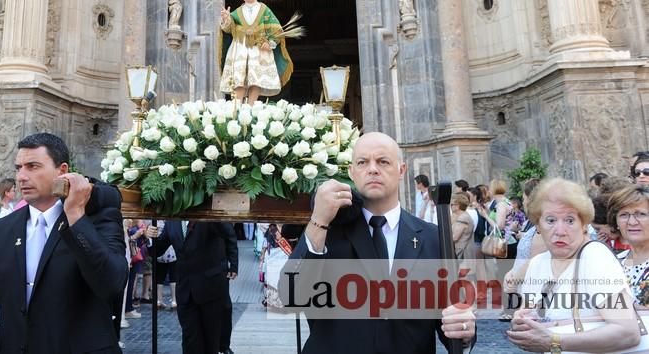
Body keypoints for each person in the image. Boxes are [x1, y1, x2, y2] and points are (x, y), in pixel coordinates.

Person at [281, 132, 475, 354]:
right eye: (363, 162)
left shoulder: (432, 238)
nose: (372, 169)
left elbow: (451, 321)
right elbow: (291, 295)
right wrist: (319, 220)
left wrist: (464, 330)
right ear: (352, 172)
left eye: (383, 161)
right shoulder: (327, 231)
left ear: (402, 170)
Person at [0, 132, 127, 354]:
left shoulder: (97, 219)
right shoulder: (2, 230)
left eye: (33, 166)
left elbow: (112, 283)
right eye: (18, 167)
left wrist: (76, 217)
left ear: (62, 171)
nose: (21, 176)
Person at [507, 178, 641, 353]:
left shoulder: (595, 258)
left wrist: (554, 341)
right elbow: (532, 314)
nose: (560, 230)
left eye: (570, 220)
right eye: (550, 220)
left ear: (584, 224)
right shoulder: (538, 264)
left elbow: (628, 332)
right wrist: (522, 320)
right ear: (538, 225)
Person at [145, 221, 238, 354]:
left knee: (210, 340)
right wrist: (149, 237)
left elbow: (229, 234)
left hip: (211, 287)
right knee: (190, 340)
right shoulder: (172, 221)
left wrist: (233, 264)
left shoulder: (206, 214)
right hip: (185, 290)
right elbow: (157, 249)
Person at [219, 0, 293, 104]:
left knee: (256, 79)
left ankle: (251, 105)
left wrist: (271, 42)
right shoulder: (237, 12)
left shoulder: (264, 9)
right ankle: (238, 104)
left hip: (259, 50)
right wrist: (226, 19)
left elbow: (276, 29)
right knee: (239, 79)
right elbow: (228, 30)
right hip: (240, 48)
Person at [609, 184, 649, 305]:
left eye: (641, 214)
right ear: (615, 222)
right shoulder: (613, 262)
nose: (631, 222)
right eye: (624, 215)